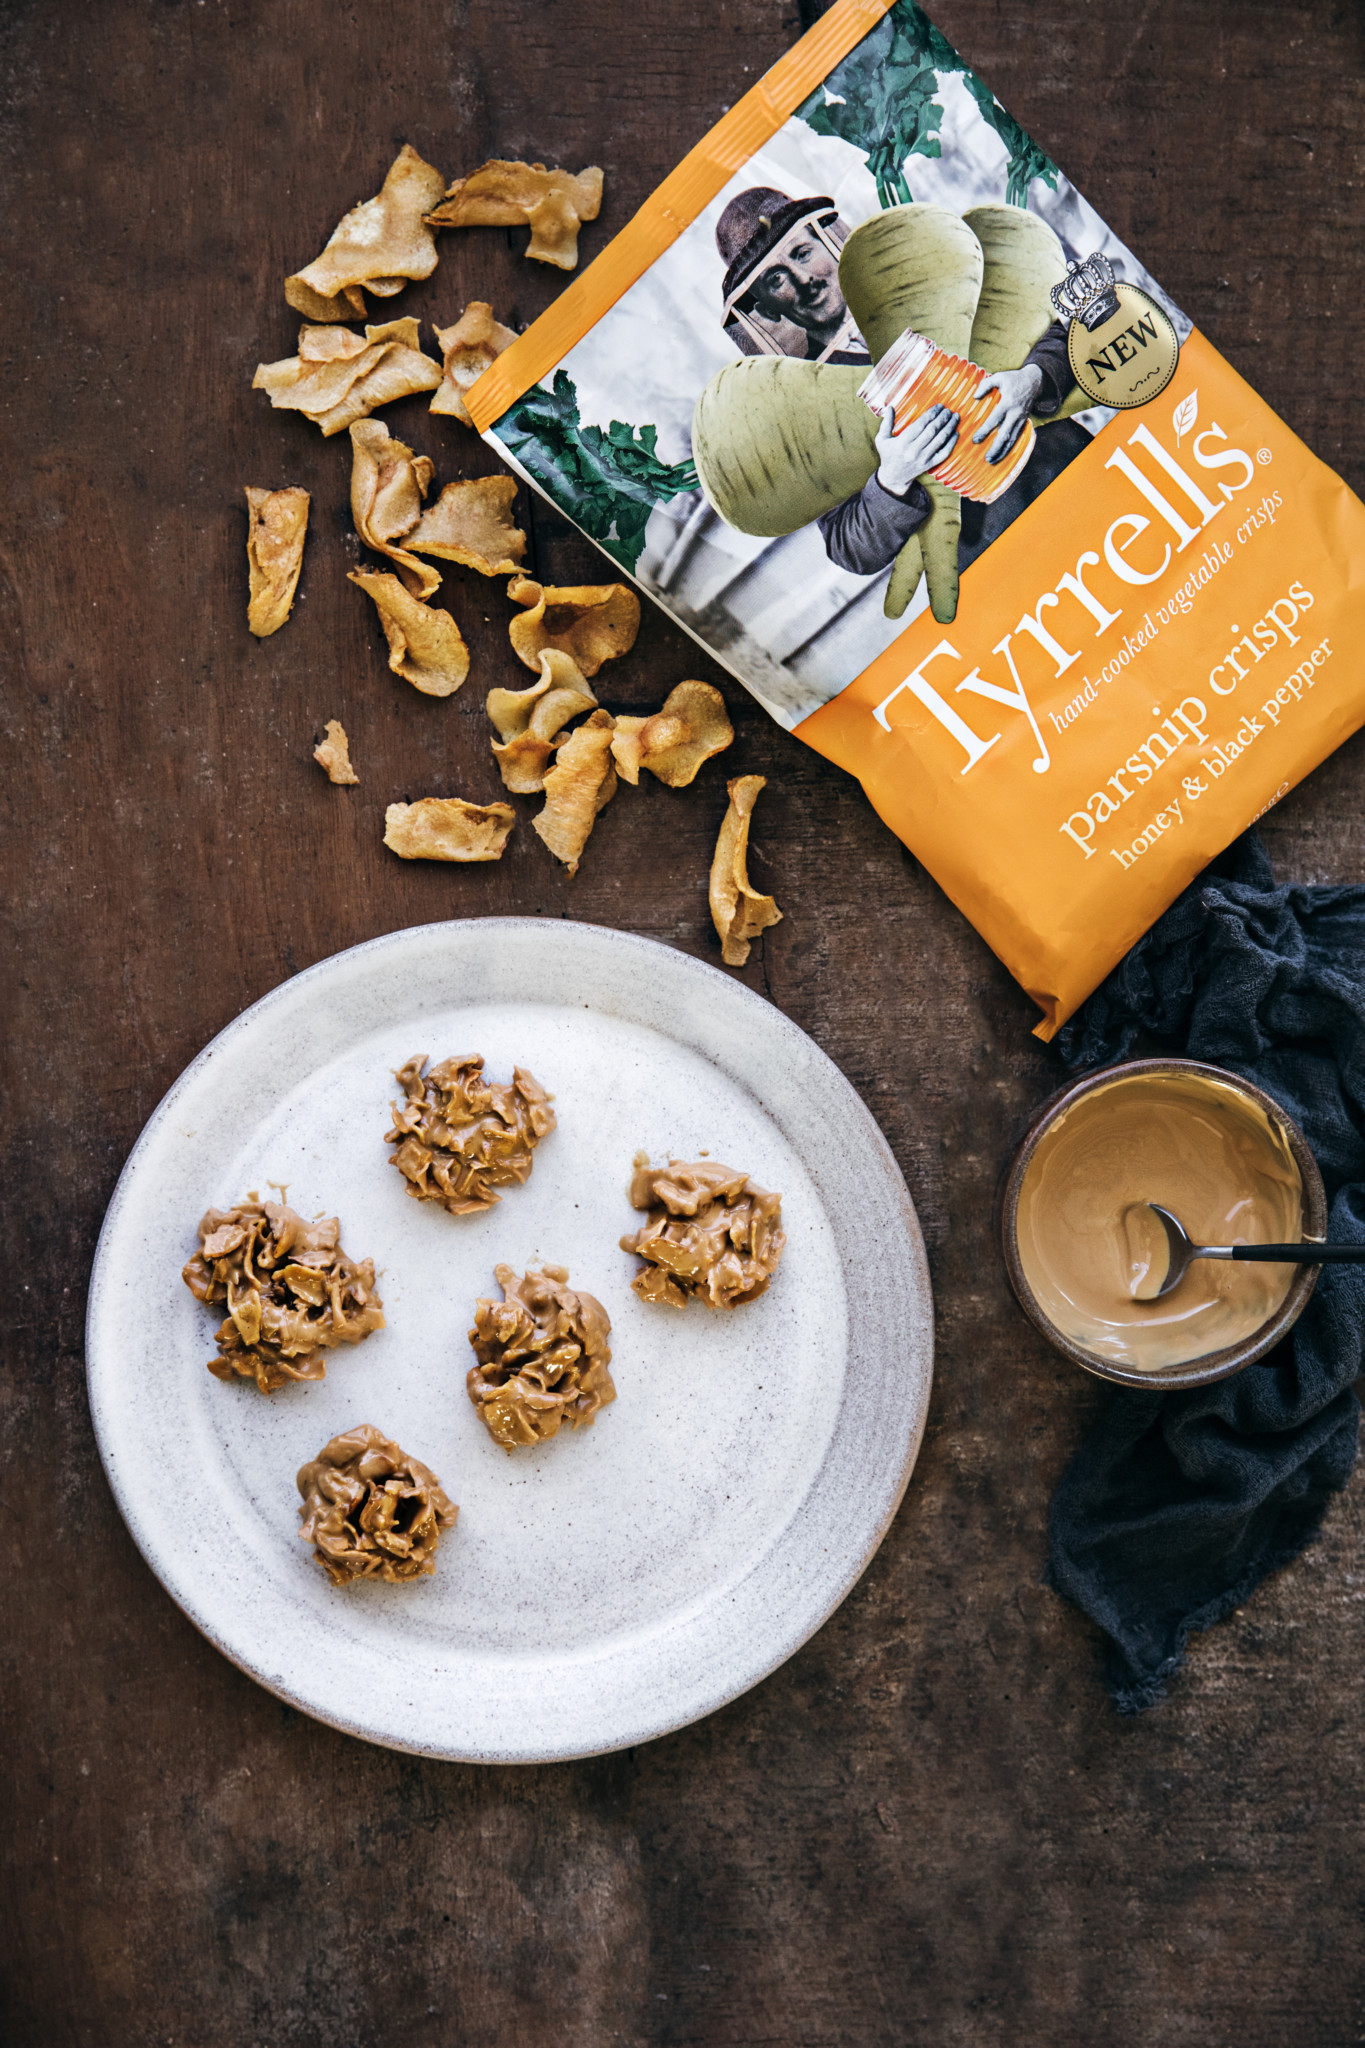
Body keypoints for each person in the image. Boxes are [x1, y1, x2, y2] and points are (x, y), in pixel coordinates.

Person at [714, 185, 1094, 579]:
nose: (805, 279)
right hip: (998, 565)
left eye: (803, 254)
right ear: (766, 306)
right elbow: (851, 549)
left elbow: (1060, 326)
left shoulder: (926, 280)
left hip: (1075, 472)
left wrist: (1032, 378)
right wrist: (891, 478)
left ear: (828, 241)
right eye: (777, 280)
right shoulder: (806, 410)